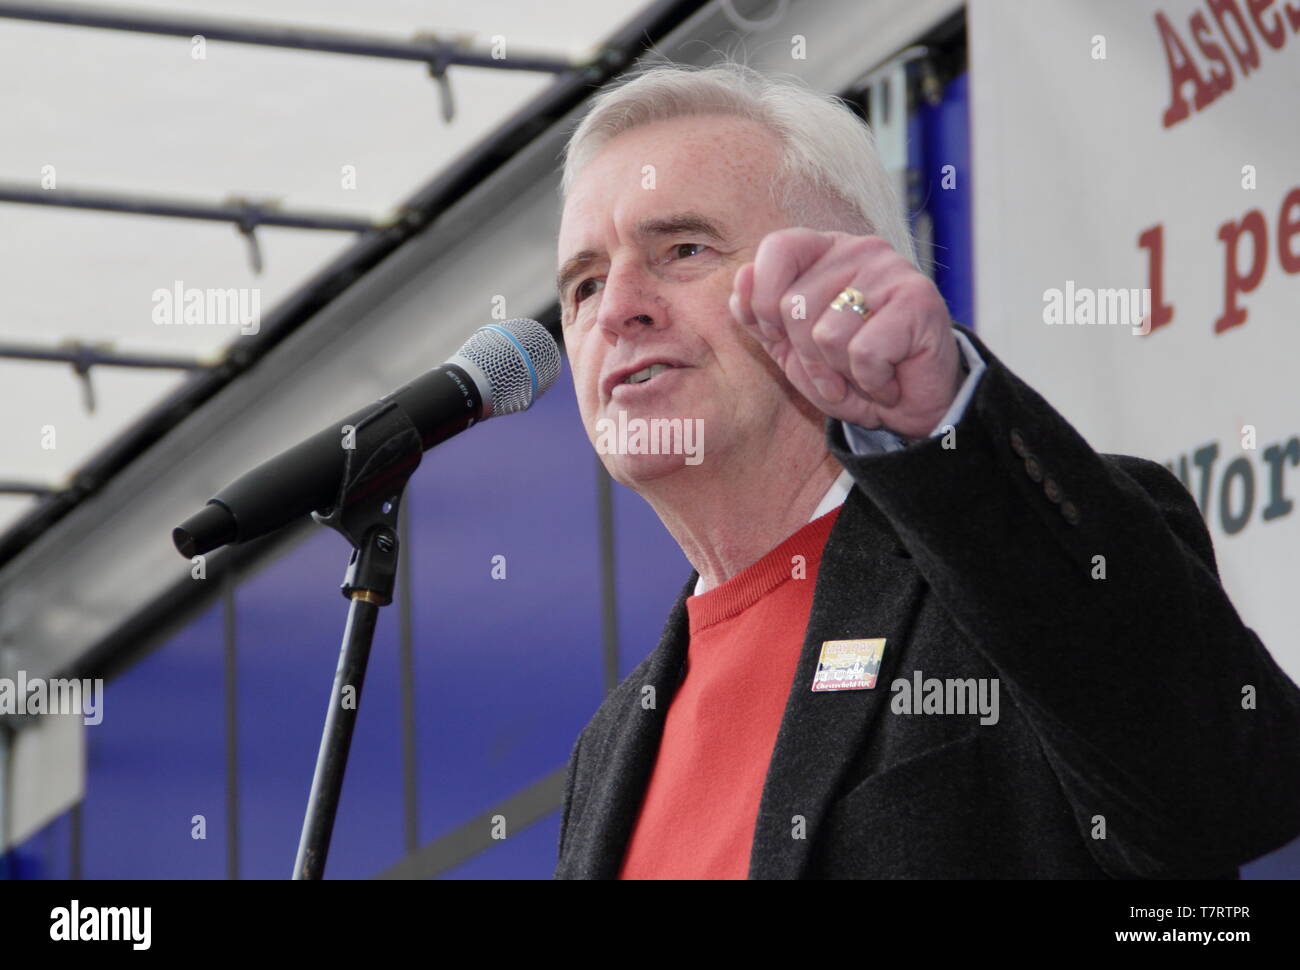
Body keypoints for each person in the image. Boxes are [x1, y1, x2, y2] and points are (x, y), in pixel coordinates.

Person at [551, 60, 1300, 879]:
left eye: (683, 248)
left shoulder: (1016, 562)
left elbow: (1224, 793)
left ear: (840, 285)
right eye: (584, 284)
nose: (617, 308)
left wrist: (947, 421)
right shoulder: (609, 746)